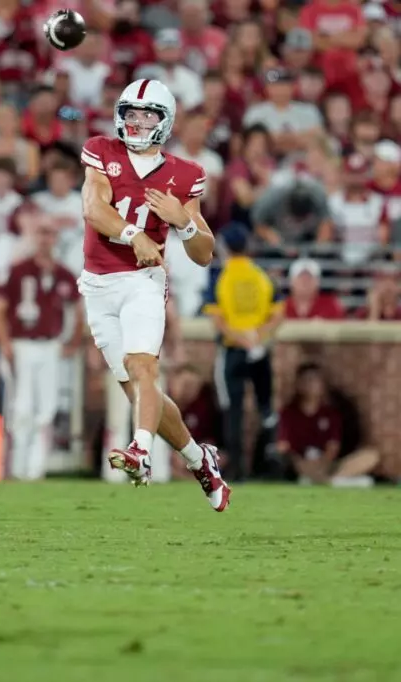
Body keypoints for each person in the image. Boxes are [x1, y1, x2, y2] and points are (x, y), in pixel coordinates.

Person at [79, 78, 230, 512]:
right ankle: (201, 461)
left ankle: (140, 451)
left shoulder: (186, 174)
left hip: (144, 281)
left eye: (148, 115)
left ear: (165, 122)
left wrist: (183, 222)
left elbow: (204, 253)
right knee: (143, 395)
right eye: (132, 113)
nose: (138, 122)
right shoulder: (101, 151)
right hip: (97, 285)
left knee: (142, 366)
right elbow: (94, 208)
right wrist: (134, 235)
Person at [0, 217, 81, 480]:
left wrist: (72, 342)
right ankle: (17, 466)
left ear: (56, 239)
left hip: (50, 344)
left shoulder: (64, 274)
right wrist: (5, 343)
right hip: (22, 343)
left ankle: (36, 467)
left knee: (47, 408)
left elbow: (78, 312)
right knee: (22, 406)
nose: (45, 239)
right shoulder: (17, 270)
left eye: (50, 234)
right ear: (33, 237)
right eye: (41, 233)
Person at [203, 223, 284, 481]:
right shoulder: (262, 275)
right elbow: (278, 314)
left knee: (233, 410)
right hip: (260, 350)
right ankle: (268, 463)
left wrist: (242, 339)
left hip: (233, 351)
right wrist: (258, 338)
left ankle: (236, 470)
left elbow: (218, 321)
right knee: (266, 407)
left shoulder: (220, 276)